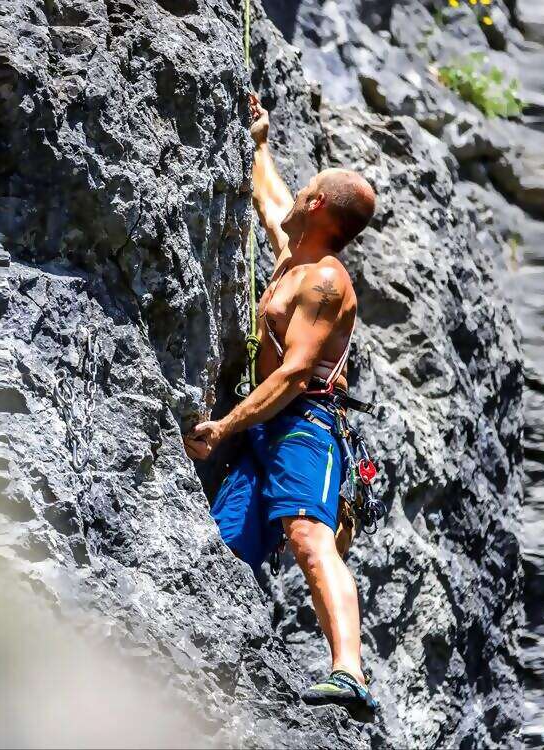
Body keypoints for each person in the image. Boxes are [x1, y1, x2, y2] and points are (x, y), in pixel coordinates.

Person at [184, 93, 379, 721]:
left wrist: (224, 425)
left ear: (318, 204)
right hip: (266, 433)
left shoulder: (325, 280)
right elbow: (271, 198)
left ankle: (348, 670)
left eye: (306, 190)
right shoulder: (291, 260)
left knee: (307, 535)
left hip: (304, 429)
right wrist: (260, 141)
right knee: (227, 540)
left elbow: (296, 372)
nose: (294, 195)